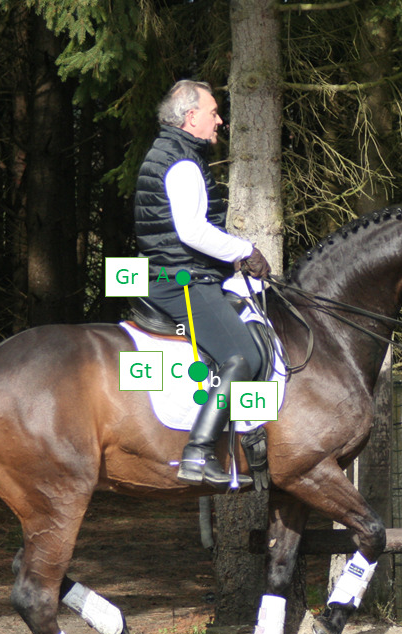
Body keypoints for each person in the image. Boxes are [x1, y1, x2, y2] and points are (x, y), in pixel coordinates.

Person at [134, 79, 270, 489]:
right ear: (190, 117)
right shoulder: (183, 162)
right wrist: (244, 250)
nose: (219, 119)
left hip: (165, 274)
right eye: (213, 112)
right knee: (243, 355)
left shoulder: (167, 152)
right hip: (181, 280)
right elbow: (192, 231)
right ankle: (198, 451)